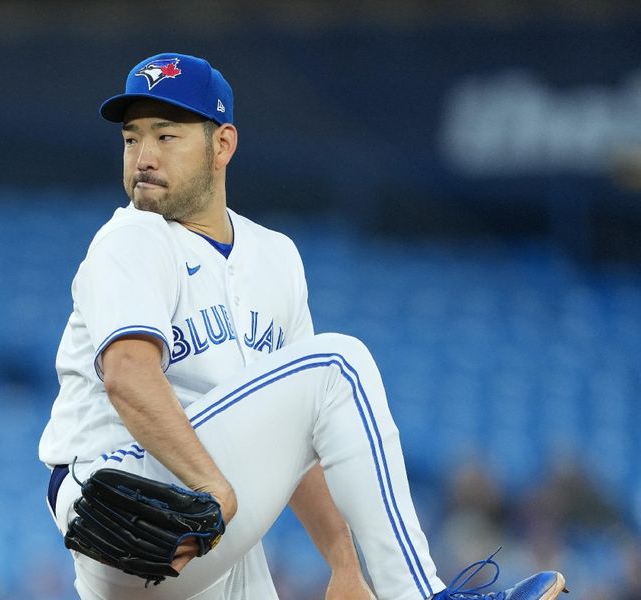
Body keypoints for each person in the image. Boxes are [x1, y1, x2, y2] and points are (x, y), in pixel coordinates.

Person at [39, 52, 567, 600]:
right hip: (121, 503)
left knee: (323, 383)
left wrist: (344, 565)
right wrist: (211, 485)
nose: (143, 156)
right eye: (131, 139)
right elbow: (127, 374)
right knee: (339, 363)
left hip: (200, 526)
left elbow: (302, 428)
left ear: (222, 144)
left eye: (166, 136)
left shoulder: (276, 258)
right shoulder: (132, 238)